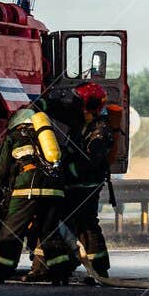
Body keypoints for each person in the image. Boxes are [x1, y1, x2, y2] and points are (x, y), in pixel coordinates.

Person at [0, 98, 76, 284]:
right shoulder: (48, 139)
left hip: (27, 190)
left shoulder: (14, 137)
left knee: (11, 231)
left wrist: (1, 187)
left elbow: (2, 170)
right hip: (54, 190)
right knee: (50, 232)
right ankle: (61, 274)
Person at [63, 80, 116, 283]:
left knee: (87, 224)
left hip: (86, 185)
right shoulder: (84, 123)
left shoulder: (100, 130)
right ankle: (72, 265)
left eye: (78, 102)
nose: (74, 105)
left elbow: (91, 161)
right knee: (77, 224)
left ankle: (99, 270)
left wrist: (70, 170)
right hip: (78, 183)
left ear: (88, 104)